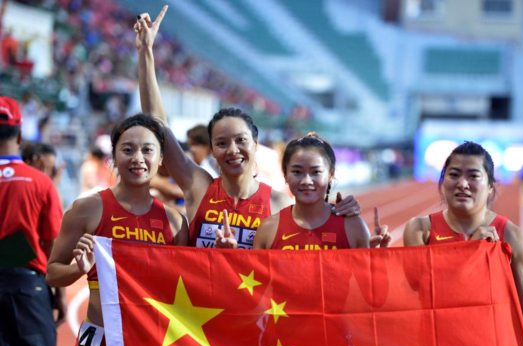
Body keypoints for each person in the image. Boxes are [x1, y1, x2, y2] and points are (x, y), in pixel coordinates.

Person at [134, 6, 361, 250]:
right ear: (212, 149)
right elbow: (157, 125)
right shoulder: (198, 186)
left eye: (240, 140)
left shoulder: (280, 204)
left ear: (255, 143)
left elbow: (312, 250)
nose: (232, 150)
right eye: (221, 143)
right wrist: (145, 51)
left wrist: (341, 210)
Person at [46, 114, 189, 346]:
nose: (138, 158)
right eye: (127, 149)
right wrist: (78, 268)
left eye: (148, 150)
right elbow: (52, 272)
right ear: (113, 156)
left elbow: (187, 286)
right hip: (97, 343)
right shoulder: (86, 210)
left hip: (153, 343)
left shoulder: (174, 222)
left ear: (161, 159)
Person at [403, 142, 523, 346]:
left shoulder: (512, 236)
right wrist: (471, 251)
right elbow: (419, 285)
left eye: (473, 176)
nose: (462, 183)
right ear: (442, 183)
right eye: (454, 175)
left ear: (491, 187)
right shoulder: (420, 230)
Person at [216, 133, 392, 250]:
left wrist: (380, 256)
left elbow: (372, 295)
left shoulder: (353, 227)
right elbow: (254, 292)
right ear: (285, 175)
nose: (306, 181)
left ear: (331, 175)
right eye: (297, 172)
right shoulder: (269, 229)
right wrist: (229, 256)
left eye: (316, 172)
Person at [0, 96, 65, 346]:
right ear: (20, 135)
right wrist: (60, 294)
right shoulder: (40, 182)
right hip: (28, 286)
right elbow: (53, 243)